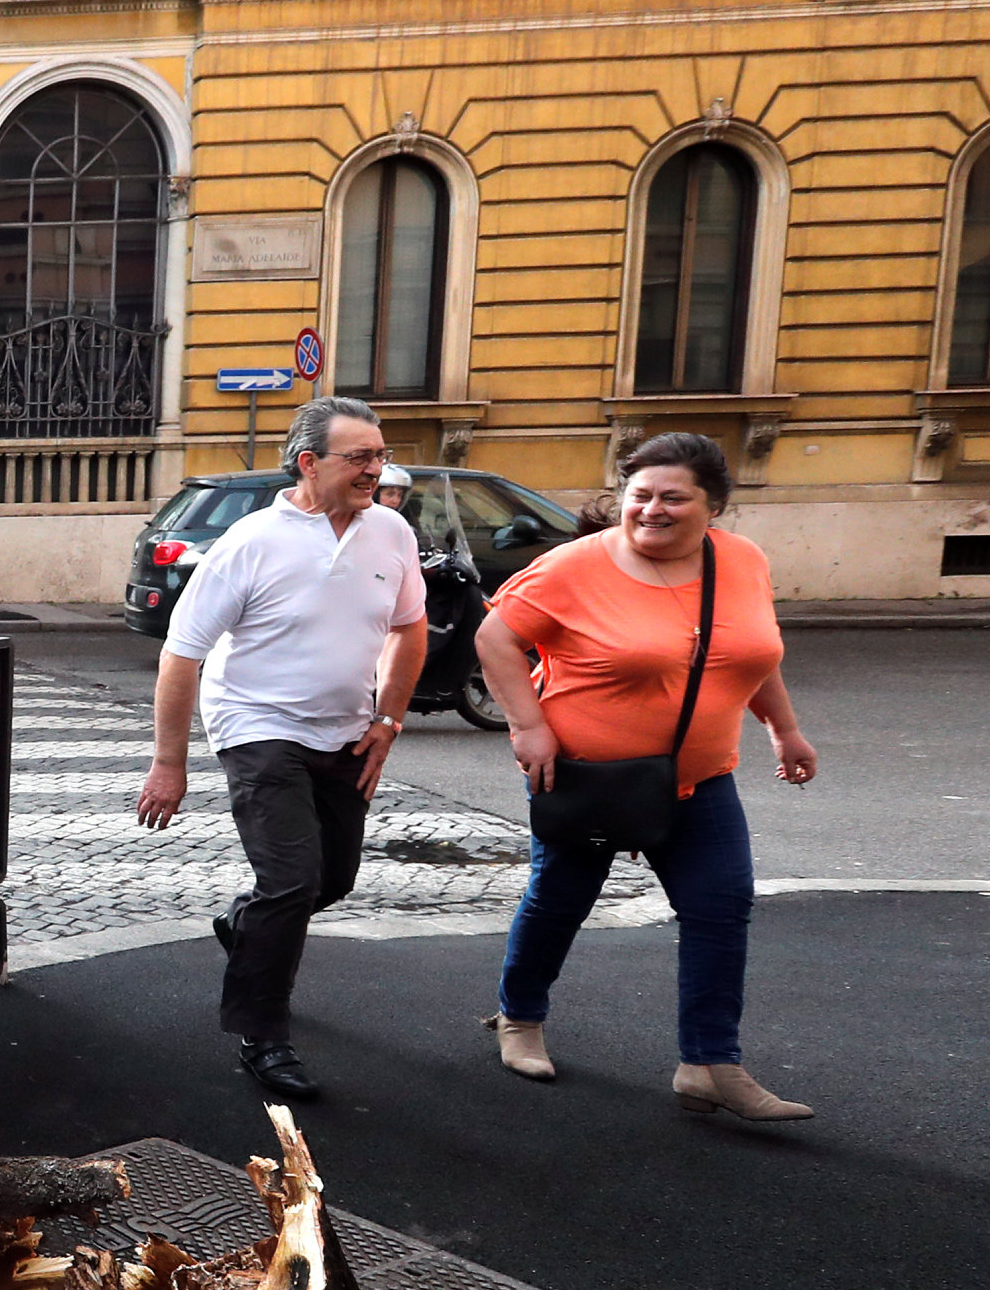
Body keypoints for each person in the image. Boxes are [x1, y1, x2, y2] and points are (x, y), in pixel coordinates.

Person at [473, 433, 820, 1118]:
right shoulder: (573, 568)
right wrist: (529, 725)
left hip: (701, 779)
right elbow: (495, 638)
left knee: (721, 909)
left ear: (712, 506)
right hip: (586, 777)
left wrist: (784, 728)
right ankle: (520, 1018)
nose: (652, 510)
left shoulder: (742, 561)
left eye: (672, 497)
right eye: (641, 496)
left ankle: (709, 1063)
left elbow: (750, 653)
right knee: (560, 900)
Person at [136, 397, 428, 1100]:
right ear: (308, 463)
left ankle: (245, 927)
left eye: (380, 456)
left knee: (332, 879)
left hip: (347, 731)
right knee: (292, 880)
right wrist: (169, 762)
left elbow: (410, 629)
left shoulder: (390, 531)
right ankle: (262, 1035)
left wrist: (387, 721)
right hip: (258, 727)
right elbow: (182, 655)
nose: (375, 469)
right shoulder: (251, 541)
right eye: (360, 457)